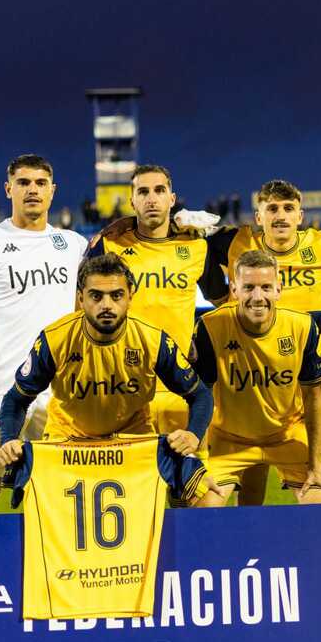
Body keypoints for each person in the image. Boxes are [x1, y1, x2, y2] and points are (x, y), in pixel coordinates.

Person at [203, 179, 321, 505]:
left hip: (299, 399)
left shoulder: (304, 324)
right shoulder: (213, 322)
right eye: (272, 208)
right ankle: (249, 540)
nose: (280, 215)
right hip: (240, 415)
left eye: (288, 208)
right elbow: (196, 249)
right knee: (242, 495)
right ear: (258, 216)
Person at [0, 154, 87, 515]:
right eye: (24, 183)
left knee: (61, 485)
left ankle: (52, 568)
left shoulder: (73, 246)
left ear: (53, 192)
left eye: (41, 183)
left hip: (58, 390)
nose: (32, 190)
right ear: (9, 188)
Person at [0, 252, 214, 460]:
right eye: (96, 296)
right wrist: (8, 440)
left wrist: (193, 433)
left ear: (130, 296)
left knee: (200, 492)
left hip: (132, 438)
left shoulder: (152, 339)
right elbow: (16, 398)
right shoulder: (55, 338)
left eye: (116, 295)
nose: (106, 305)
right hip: (67, 438)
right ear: (81, 299)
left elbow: (199, 395)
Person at [86, 165, 227, 440]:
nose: (152, 198)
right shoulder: (110, 246)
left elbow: (224, 304)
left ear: (172, 199)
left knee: (190, 478)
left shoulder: (198, 247)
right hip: (122, 388)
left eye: (159, 190)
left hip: (181, 388)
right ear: (132, 201)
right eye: (143, 191)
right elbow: (84, 311)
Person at [191, 250, 321, 507]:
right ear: (234, 289)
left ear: (278, 290)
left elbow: (314, 397)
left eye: (266, 287)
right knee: (203, 507)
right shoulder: (210, 327)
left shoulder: (302, 326)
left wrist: (316, 463)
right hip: (228, 439)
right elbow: (200, 397)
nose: (258, 297)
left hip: (287, 436)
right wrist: (200, 463)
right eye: (248, 288)